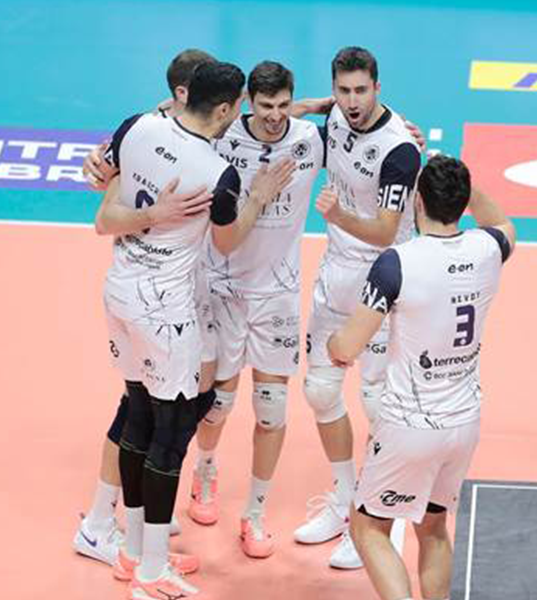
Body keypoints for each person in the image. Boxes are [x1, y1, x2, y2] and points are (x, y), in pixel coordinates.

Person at [96, 60, 264, 599]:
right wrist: (259, 198)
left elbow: (104, 185)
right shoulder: (218, 174)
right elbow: (226, 241)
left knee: (138, 415)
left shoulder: (136, 126)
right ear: (225, 108)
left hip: (120, 290)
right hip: (165, 310)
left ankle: (134, 550)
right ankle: (150, 573)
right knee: (169, 435)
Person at [328, 155, 515, 600]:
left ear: (417, 201)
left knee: (368, 527)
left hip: (409, 425)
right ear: (463, 202)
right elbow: (503, 223)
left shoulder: (397, 262)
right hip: (464, 422)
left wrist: (334, 346)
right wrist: (464, 187)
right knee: (433, 527)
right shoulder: (488, 248)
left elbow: (347, 347)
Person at [73, 48, 217, 568]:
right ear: (184, 95)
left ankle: (138, 526)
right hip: (152, 297)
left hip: (185, 292)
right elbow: (104, 215)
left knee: (187, 399)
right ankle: (102, 524)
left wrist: (322, 107)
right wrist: (154, 210)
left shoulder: (184, 131)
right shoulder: (145, 133)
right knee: (140, 409)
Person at [187, 60, 322, 561]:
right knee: (217, 404)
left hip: (278, 294)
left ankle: (256, 514)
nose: (275, 115)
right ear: (247, 102)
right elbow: (174, 113)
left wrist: (403, 129)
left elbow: (363, 130)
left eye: (284, 104)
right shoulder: (222, 138)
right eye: (265, 105)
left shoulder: (311, 140)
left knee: (271, 410)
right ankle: (204, 472)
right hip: (223, 287)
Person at [296, 46, 422, 569]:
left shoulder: (400, 150)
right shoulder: (333, 117)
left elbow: (386, 230)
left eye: (361, 91)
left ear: (378, 88)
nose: (352, 101)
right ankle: (346, 502)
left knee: (377, 402)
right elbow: (277, 115)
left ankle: (379, 518)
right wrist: (313, 105)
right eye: (343, 91)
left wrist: (337, 215)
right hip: (337, 273)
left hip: (384, 279)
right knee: (320, 390)